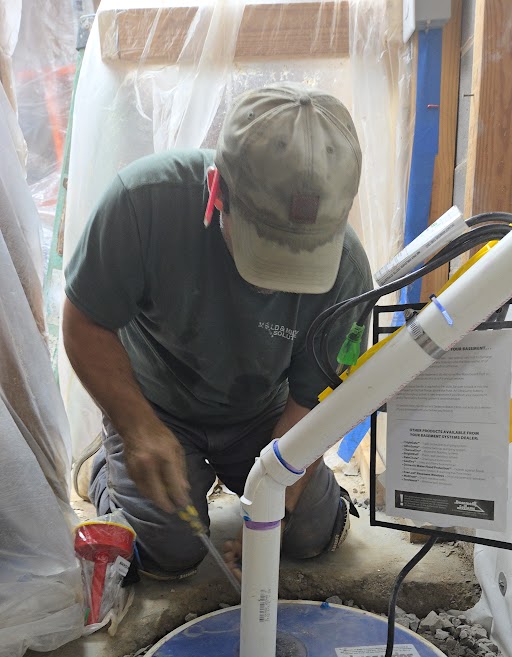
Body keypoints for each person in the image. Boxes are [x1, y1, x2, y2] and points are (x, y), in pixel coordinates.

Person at [63, 82, 373, 583]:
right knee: (171, 553)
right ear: (216, 191)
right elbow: (84, 322)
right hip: (156, 404)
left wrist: (274, 514)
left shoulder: (349, 270)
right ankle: (105, 468)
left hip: (263, 414)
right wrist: (137, 428)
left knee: (310, 535)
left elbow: (313, 403)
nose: (277, 280)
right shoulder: (143, 204)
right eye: (265, 247)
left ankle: (260, 497)